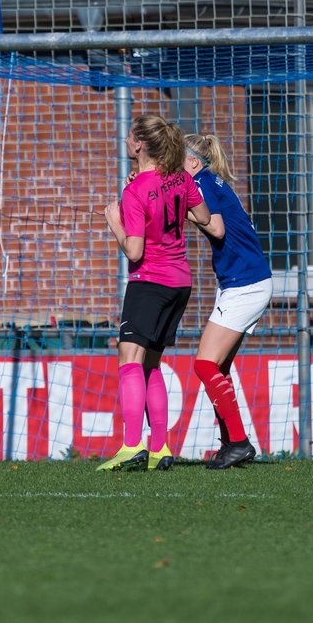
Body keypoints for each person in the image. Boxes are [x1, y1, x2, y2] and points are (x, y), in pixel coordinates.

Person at [98, 114, 212, 472]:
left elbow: (134, 251)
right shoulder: (180, 178)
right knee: (150, 363)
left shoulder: (133, 190)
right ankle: (160, 447)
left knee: (129, 360)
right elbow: (205, 217)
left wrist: (115, 223)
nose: (127, 140)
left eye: (131, 136)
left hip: (150, 281)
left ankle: (132, 445)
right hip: (180, 281)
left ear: (140, 144)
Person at [183, 134, 273, 470]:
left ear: (193, 161)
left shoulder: (203, 182)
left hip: (245, 284)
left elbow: (217, 228)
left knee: (204, 365)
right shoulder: (209, 181)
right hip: (247, 281)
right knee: (218, 367)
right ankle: (229, 444)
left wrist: (183, 210)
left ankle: (238, 442)